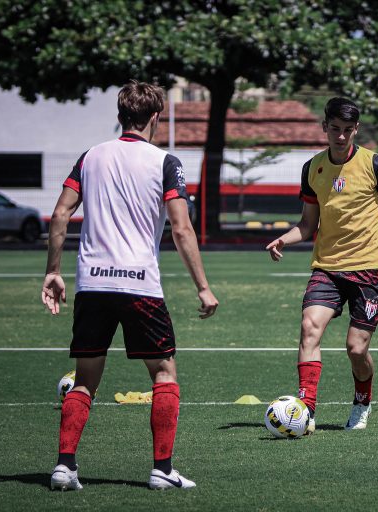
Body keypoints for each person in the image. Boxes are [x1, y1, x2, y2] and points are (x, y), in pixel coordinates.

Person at [42, 81, 219, 491]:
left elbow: (59, 216)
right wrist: (203, 287)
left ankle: (64, 467)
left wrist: (54, 270)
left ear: (120, 116)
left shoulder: (90, 157)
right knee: (164, 375)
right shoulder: (165, 162)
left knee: (85, 378)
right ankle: (162, 469)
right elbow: (181, 227)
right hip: (140, 285)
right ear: (155, 117)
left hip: (92, 283)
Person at [266, 97, 378, 433]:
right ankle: (305, 410)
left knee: (356, 349)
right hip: (328, 268)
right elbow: (306, 225)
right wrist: (282, 240)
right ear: (325, 128)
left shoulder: (375, 165)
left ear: (356, 130)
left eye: (348, 130)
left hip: (369, 269)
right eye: (335, 129)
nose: (341, 136)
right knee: (309, 327)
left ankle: (362, 402)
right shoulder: (312, 168)